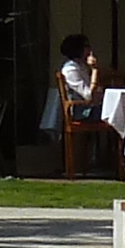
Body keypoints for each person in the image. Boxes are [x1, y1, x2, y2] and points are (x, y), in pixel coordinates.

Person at [51, 33, 108, 176]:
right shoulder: (71, 70)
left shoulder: (81, 66)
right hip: (81, 111)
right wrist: (95, 70)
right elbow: (88, 95)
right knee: (122, 115)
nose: (89, 50)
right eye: (86, 47)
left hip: (91, 107)